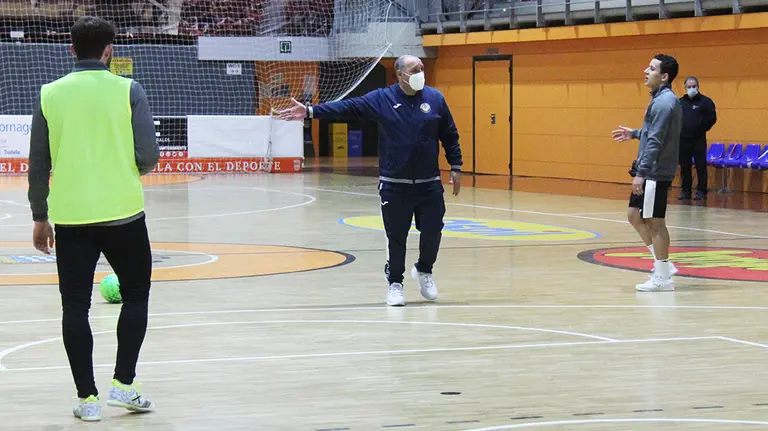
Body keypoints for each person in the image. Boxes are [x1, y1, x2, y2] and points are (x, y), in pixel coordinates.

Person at [27, 16, 158, 421]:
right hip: (124, 214)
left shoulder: (50, 94)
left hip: (72, 219)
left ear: (71, 49)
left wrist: (39, 216)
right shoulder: (129, 89)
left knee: (75, 307)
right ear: (109, 50)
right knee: (135, 296)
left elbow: (37, 164)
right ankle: (124, 385)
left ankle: (87, 400)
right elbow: (148, 156)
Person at [279, 54, 463, 306]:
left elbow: (450, 134)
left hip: (429, 183)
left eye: (421, 67)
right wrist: (310, 111)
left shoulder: (435, 99)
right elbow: (348, 107)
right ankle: (395, 284)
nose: (420, 72)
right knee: (396, 237)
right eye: (414, 69)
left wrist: (456, 165)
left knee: (433, 232)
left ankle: (424, 270)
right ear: (400, 75)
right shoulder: (382, 99)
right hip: (394, 185)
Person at [611, 54, 682, 292]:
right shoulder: (661, 100)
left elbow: (656, 141)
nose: (645, 71)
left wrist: (641, 173)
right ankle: (664, 266)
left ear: (664, 76)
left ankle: (663, 278)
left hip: (655, 172)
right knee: (634, 215)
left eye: (651, 68)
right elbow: (653, 133)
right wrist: (634, 133)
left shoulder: (664, 103)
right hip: (651, 169)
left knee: (655, 223)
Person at [678, 76, 717, 201]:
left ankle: (701, 191)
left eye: (694, 86)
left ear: (698, 86)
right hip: (683, 139)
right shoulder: (679, 102)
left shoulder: (706, 102)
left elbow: (712, 118)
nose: (691, 88)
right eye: (689, 87)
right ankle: (685, 191)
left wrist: (702, 128)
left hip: (698, 139)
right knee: (685, 166)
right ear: (685, 88)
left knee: (701, 166)